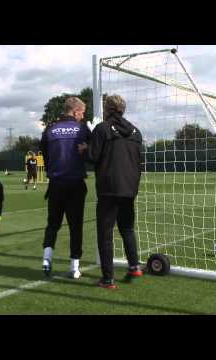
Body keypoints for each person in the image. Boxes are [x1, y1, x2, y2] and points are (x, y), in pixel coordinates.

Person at [79, 94, 143, 289]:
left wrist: (84, 148)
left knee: (105, 234)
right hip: (129, 188)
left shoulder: (103, 128)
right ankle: (134, 267)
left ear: (107, 109)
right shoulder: (136, 131)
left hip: (109, 189)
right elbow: (140, 161)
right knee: (127, 228)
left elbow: (92, 157)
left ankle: (108, 279)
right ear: (123, 109)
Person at [40, 97, 91, 279]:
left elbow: (44, 156)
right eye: (82, 113)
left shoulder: (50, 129)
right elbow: (91, 154)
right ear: (76, 111)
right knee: (75, 226)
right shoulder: (82, 129)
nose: (83, 117)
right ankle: (74, 266)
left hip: (55, 184)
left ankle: (46, 259)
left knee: (53, 224)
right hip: (75, 183)